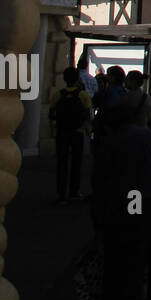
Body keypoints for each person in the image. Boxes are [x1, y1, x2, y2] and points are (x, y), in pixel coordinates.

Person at [90, 99, 151, 300]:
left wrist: (104, 226)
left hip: (138, 201)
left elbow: (105, 189)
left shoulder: (114, 143)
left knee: (127, 271)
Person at [49, 67, 92, 204]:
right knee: (76, 163)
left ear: (64, 79)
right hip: (77, 132)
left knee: (62, 163)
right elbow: (88, 114)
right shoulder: (83, 95)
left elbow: (52, 114)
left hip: (62, 132)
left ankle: (61, 194)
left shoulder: (58, 94)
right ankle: (74, 191)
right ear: (77, 79)